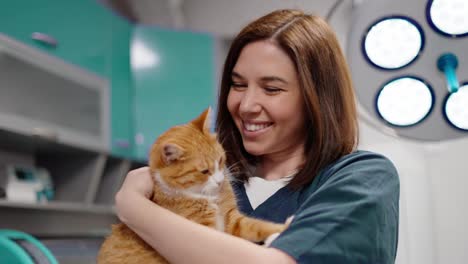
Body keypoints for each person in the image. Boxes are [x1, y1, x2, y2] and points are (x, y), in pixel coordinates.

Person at [115, 9, 399, 264]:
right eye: (238, 85)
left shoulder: (363, 178)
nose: (247, 105)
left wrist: (133, 207)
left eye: (272, 89)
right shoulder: (213, 182)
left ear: (317, 99)